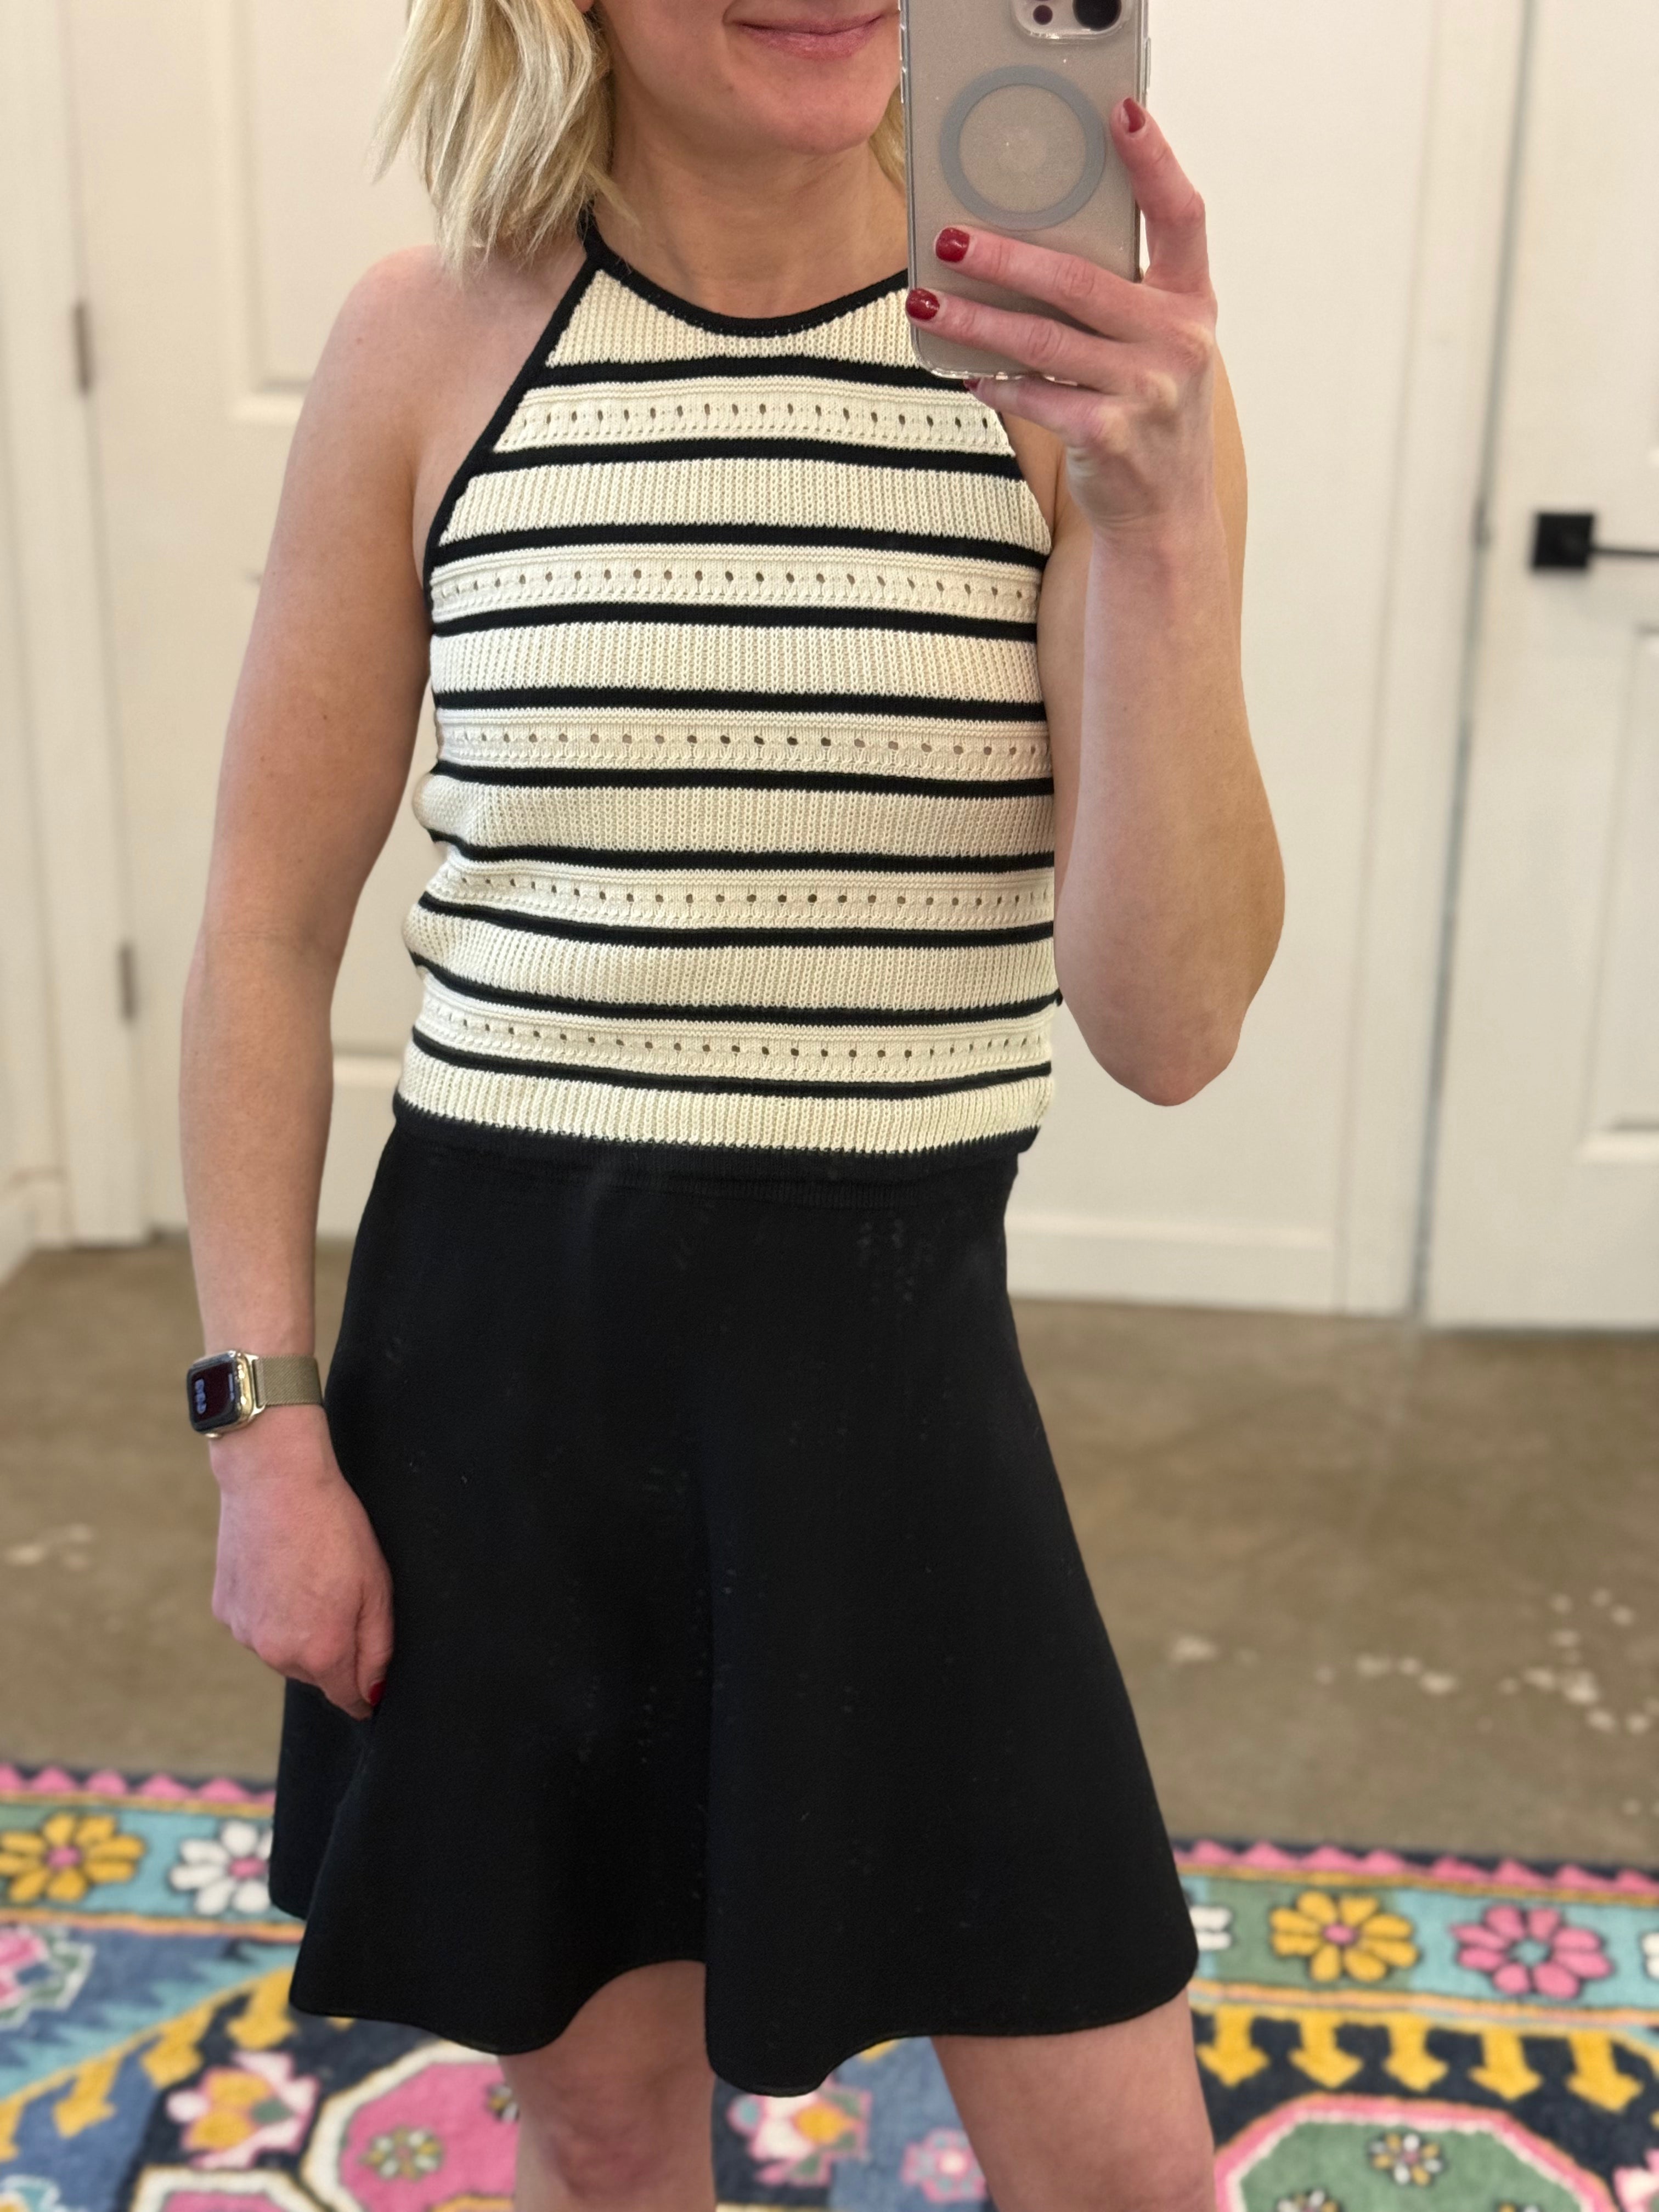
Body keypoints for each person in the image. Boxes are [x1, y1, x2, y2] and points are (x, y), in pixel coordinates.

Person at [179, 1, 1282, 2204]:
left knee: (1125, 2172)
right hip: (502, 1410)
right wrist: (264, 1431)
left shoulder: (1077, 375)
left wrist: (1158, 533)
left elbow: (1169, 1029)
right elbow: (266, 932)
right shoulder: (427, 343)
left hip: (897, 1411)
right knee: (606, 2136)